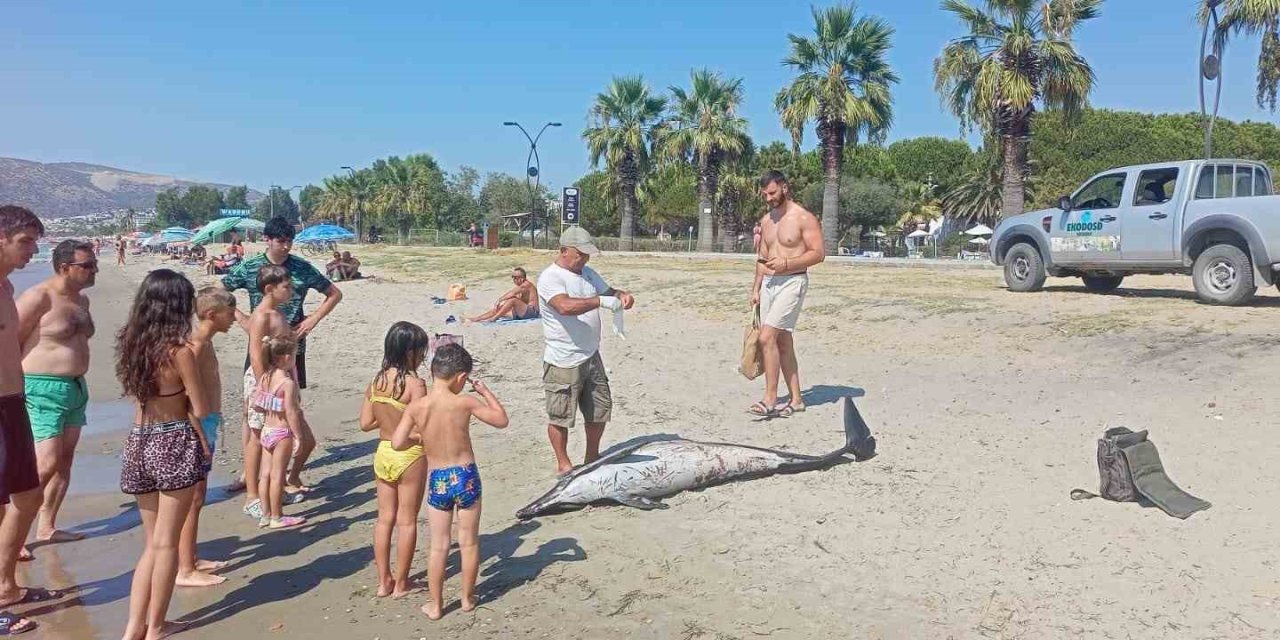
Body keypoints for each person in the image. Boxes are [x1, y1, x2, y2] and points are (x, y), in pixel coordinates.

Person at [115, 269, 211, 640]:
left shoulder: (131, 344)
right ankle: (156, 626)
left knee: (151, 544)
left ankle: (132, 628)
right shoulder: (180, 351)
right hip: (172, 441)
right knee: (167, 543)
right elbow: (200, 408)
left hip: (138, 440)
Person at [220, 216, 341, 495]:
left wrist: (312, 320)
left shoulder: (300, 268)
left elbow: (334, 293)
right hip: (260, 350)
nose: (286, 246)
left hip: (291, 350)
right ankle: (250, 474)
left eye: (289, 241)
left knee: (287, 405)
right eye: (281, 241)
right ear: (268, 240)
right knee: (253, 411)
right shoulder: (251, 267)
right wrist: (244, 320)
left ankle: (279, 474)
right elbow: (220, 292)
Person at [391, 344, 508, 620]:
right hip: (465, 475)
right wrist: (485, 392)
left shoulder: (418, 406)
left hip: (438, 478)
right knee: (468, 541)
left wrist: (421, 438)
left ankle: (436, 605)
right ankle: (467, 598)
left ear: (432, 372)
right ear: (461, 377)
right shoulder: (464, 401)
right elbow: (501, 420)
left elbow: (397, 442)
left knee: (439, 545)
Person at [14, 240, 96, 552]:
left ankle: (46, 526)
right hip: (41, 388)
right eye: (86, 265)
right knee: (44, 464)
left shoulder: (82, 301)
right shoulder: (38, 297)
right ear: (64, 267)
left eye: (93, 264)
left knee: (64, 460)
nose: (93, 270)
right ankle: (14, 536)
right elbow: (9, 341)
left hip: (75, 388)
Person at [537, 227, 634, 474]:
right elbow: (564, 307)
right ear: (564, 251)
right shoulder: (550, 278)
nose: (585, 259)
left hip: (591, 354)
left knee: (599, 409)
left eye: (588, 254)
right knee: (560, 416)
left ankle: (592, 457)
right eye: (580, 254)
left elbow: (609, 292)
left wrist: (622, 296)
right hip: (563, 359)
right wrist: (599, 302)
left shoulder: (588, 274)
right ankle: (564, 464)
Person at [0, 206, 48, 635]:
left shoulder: (7, 286)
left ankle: (5, 586)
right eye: (25, 242)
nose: (33, 249)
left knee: (27, 495)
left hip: (13, 402)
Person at [359, 322, 429, 598]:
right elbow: (422, 426)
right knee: (407, 520)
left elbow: (365, 423)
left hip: (383, 452)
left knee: (384, 518)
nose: (424, 357)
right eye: (421, 351)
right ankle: (402, 583)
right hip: (409, 454)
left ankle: (383, 581)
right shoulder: (416, 384)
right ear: (410, 352)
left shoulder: (376, 382)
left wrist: (387, 416)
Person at [749, 170, 825, 418]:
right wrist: (756, 288)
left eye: (772, 193)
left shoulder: (803, 217)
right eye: (764, 195)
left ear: (784, 187)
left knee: (766, 336)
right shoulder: (766, 221)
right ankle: (797, 399)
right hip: (770, 283)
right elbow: (762, 258)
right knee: (782, 341)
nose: (768, 198)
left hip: (793, 281)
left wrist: (787, 265)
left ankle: (770, 398)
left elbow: (818, 253)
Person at [177, 287, 237, 587]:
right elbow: (185, 398)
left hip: (208, 421)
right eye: (230, 313)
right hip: (197, 425)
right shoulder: (196, 344)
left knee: (197, 498)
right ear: (212, 315)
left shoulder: (207, 341)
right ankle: (185, 568)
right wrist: (200, 436)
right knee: (193, 497)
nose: (234, 319)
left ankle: (191, 556)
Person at [238, 265, 309, 520]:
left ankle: (273, 492)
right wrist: (264, 389)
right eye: (286, 286)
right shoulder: (262, 316)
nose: (291, 290)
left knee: (280, 437)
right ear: (270, 289)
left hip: (280, 380)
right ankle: (252, 496)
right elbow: (256, 356)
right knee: (258, 437)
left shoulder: (278, 313)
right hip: (265, 383)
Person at [252, 335, 307, 530]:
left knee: (265, 475)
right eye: (294, 356)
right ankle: (277, 516)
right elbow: (292, 412)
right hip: (282, 433)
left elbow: (257, 405)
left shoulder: (266, 377)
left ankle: (265, 514)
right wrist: (299, 436)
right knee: (277, 476)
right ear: (285, 358)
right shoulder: (287, 384)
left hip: (267, 430)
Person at [465, 267, 539, 323]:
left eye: (515, 277)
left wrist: (499, 300)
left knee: (513, 300)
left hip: (532, 312)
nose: (513, 279)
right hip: (523, 313)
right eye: (512, 277)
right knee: (499, 309)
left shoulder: (526, 285)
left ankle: (494, 319)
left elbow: (511, 293)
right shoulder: (521, 287)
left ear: (522, 278)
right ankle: (475, 319)